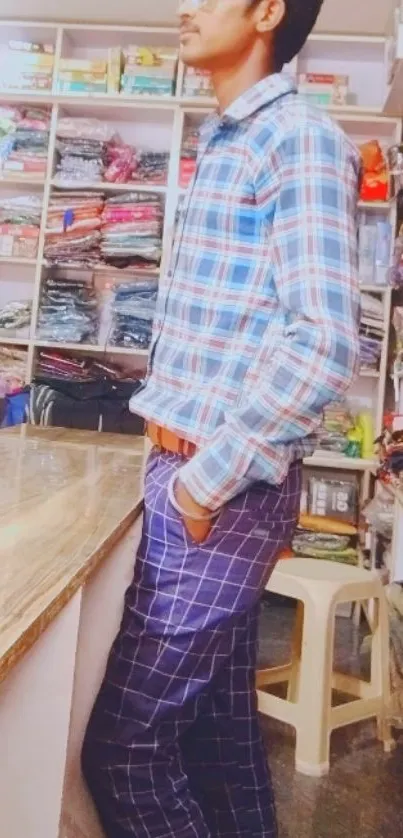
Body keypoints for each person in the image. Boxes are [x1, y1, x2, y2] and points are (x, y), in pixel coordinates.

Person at [82, 1, 360, 836]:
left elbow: (321, 341)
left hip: (219, 484)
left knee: (125, 749)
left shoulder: (298, 138)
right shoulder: (231, 138)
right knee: (218, 735)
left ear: (267, 10)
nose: (184, 7)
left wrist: (202, 486)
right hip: (197, 474)